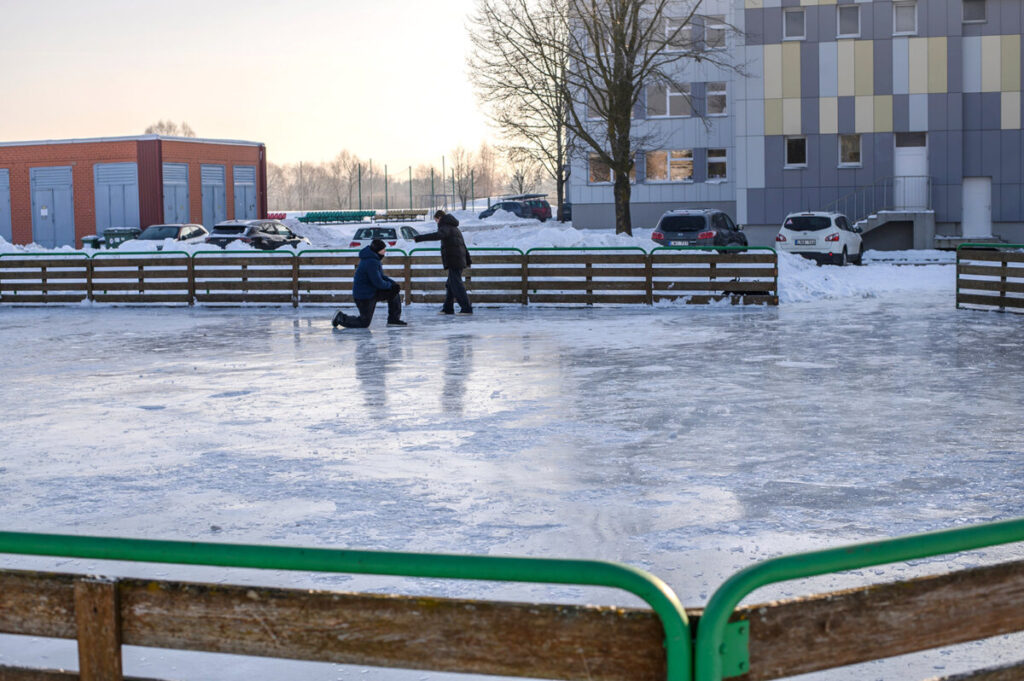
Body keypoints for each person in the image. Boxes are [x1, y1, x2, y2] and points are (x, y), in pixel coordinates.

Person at [332, 239, 407, 329]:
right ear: (377, 250)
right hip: (364, 296)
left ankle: (393, 320)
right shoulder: (371, 262)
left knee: (393, 292)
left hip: (371, 292)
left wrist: (392, 284)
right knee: (364, 323)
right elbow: (378, 282)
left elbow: (381, 276)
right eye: (383, 249)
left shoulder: (374, 259)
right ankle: (340, 317)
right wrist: (391, 285)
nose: (385, 251)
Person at [413, 210, 473, 315]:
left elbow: (437, 235)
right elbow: (463, 245)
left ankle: (466, 308)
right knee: (450, 284)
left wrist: (419, 238)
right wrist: (467, 260)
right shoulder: (454, 227)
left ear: (439, 218)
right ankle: (448, 308)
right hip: (458, 259)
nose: (436, 223)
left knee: (457, 284)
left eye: (436, 220)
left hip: (455, 260)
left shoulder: (445, 226)